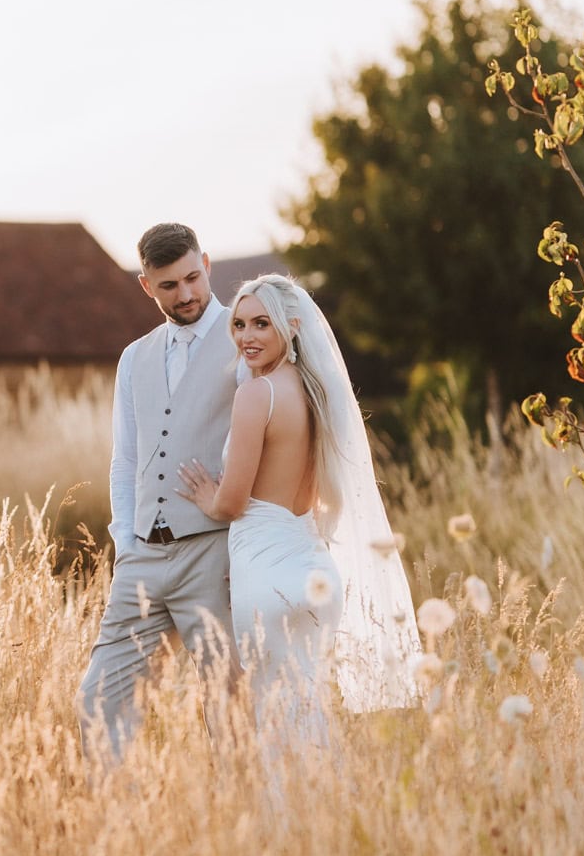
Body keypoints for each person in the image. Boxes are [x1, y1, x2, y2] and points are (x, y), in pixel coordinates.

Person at [176, 274, 420, 730]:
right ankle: (325, 801)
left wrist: (208, 496)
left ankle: (291, 803)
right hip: (315, 575)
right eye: (240, 324)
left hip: (268, 579)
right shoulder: (319, 394)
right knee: (309, 715)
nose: (247, 337)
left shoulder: (256, 394)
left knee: (277, 725)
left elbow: (232, 503)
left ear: (290, 327)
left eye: (261, 324)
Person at [74, 222, 242, 761]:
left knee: (230, 710)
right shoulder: (134, 358)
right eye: (169, 285)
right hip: (142, 558)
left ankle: (241, 834)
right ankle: (122, 833)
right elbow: (124, 461)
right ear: (146, 285)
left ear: (207, 264)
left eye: (193, 277)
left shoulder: (246, 338)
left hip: (213, 555)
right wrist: (125, 544)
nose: (187, 294)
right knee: (99, 700)